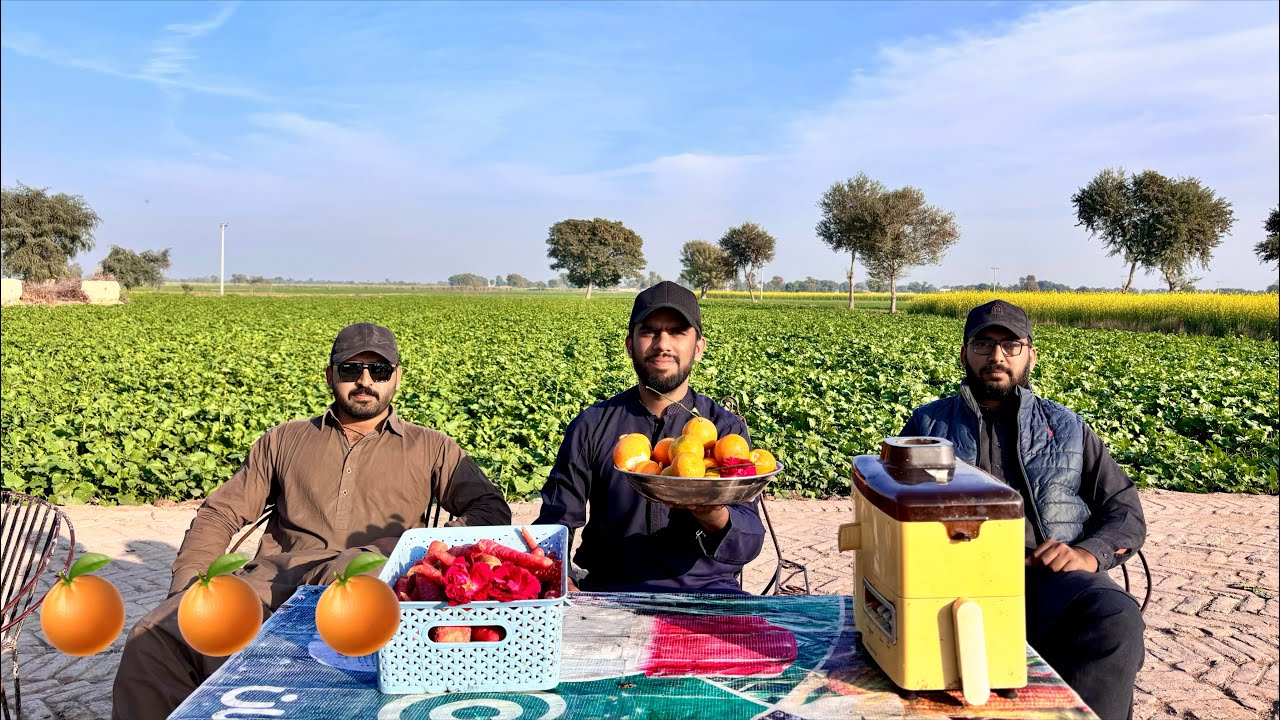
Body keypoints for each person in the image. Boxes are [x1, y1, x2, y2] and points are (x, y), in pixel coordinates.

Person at [112, 322, 511, 720]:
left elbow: (489, 508)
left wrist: (425, 549)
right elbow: (221, 512)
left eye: (379, 371)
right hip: (271, 585)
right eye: (350, 370)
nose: (365, 381)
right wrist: (189, 585)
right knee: (157, 635)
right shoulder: (284, 440)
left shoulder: (431, 447)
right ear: (329, 375)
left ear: (397, 378)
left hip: (369, 584)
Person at [900, 299, 1146, 720]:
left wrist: (1089, 554)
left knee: (1115, 616)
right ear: (964, 353)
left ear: (1030, 354)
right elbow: (897, 506)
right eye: (983, 344)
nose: (996, 357)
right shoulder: (927, 427)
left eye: (1010, 345)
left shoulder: (1068, 428)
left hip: (1051, 582)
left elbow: (1125, 511)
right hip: (956, 584)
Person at [536, 281, 765, 593]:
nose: (663, 344)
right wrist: (558, 574)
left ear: (698, 347)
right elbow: (556, 521)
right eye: (650, 331)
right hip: (609, 592)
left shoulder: (724, 432)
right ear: (630, 344)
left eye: (677, 332)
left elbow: (748, 542)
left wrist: (713, 512)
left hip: (707, 593)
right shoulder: (591, 425)